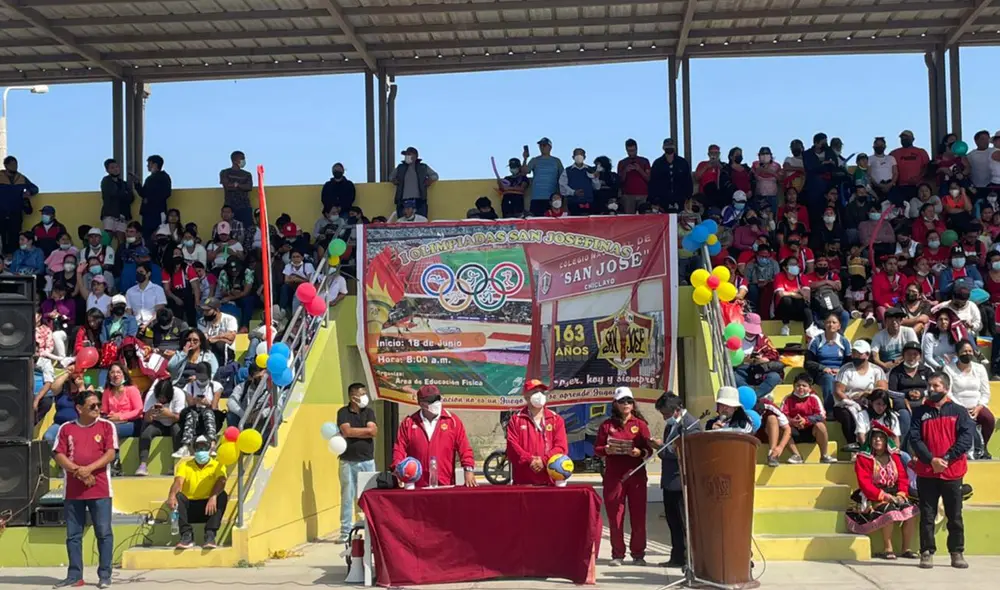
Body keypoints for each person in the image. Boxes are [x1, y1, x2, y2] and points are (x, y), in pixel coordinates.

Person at [52, 390, 117, 589]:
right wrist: (78, 471)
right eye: (92, 406)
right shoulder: (66, 428)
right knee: (73, 535)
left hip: (100, 489)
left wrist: (89, 469)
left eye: (98, 405)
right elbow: (58, 454)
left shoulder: (107, 426)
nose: (98, 409)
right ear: (79, 408)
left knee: (104, 532)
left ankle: (104, 575)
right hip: (73, 490)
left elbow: (111, 453)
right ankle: (75, 575)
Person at [910, 371, 974, 569]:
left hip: (952, 472)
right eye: (929, 385)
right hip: (927, 472)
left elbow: (965, 439)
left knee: (954, 515)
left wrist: (946, 458)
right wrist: (931, 460)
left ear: (946, 388)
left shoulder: (959, 411)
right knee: (927, 515)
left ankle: (957, 552)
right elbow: (914, 438)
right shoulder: (919, 412)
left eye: (936, 386)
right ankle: (927, 552)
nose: (931, 389)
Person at [594, 387, 652, 567]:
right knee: (615, 516)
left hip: (635, 475)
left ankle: (638, 554)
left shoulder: (640, 424)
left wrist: (639, 452)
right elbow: (596, 448)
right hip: (614, 476)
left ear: (633, 403)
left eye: (628, 401)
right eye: (622, 401)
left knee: (638, 515)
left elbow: (649, 450)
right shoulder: (607, 425)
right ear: (615, 404)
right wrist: (606, 450)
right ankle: (617, 553)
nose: (625, 404)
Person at [845, 426, 918, 560]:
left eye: (881, 437)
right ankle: (888, 548)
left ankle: (906, 548)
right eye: (874, 437)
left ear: (886, 441)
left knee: (910, 511)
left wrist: (901, 494)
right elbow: (864, 483)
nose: (877, 440)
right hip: (873, 494)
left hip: (895, 492)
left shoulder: (894, 457)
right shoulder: (864, 458)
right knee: (889, 512)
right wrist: (884, 496)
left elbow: (902, 477)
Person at [655, 392, 701, 568]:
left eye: (666, 414)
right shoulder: (671, 425)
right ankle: (677, 557)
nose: (665, 418)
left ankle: (690, 559)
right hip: (668, 481)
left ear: (676, 410)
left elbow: (686, 451)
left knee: (684, 523)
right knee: (673, 521)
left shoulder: (691, 425)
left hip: (682, 481)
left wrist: (661, 448)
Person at [167, 435, 228, 550]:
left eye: (204, 447)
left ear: (209, 448)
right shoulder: (184, 465)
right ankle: (187, 535)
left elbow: (221, 481)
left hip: (209, 508)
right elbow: (178, 481)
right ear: (193, 449)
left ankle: (210, 534)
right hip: (190, 507)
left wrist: (213, 497)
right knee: (178, 496)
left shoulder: (217, 465)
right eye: (198, 448)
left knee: (222, 496)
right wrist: (171, 495)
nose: (201, 451)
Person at [505, 379, 568, 486]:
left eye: (542, 392)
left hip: (549, 481)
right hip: (524, 482)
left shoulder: (556, 419)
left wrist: (543, 461)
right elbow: (512, 447)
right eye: (534, 392)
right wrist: (530, 460)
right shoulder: (516, 420)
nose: (539, 395)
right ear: (525, 396)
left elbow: (561, 447)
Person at [335, 383, 378, 542]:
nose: (365, 396)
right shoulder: (343, 412)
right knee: (348, 495)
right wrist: (364, 432)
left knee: (370, 496)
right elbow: (346, 431)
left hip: (368, 461)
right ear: (353, 396)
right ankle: (346, 531)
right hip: (348, 461)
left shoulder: (369, 412)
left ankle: (371, 529)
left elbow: (373, 431)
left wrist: (355, 432)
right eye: (362, 393)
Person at [943, 340, 994, 459]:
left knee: (989, 419)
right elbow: (948, 393)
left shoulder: (980, 368)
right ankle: (961, 450)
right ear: (957, 354)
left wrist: (978, 407)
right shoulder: (948, 369)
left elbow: (985, 392)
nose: (968, 353)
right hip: (957, 406)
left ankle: (983, 448)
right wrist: (962, 408)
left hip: (977, 405)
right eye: (964, 351)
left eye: (970, 351)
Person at [834, 340, 887, 450]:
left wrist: (868, 394)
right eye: (854, 353)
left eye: (859, 353)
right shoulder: (846, 370)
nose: (856, 356)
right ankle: (853, 443)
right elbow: (838, 391)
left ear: (867, 355)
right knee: (846, 415)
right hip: (846, 403)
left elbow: (883, 388)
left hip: (869, 402)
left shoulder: (877, 370)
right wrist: (852, 401)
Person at [780, 374, 836, 464]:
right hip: (793, 431)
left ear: (810, 388)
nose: (801, 388)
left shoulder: (814, 398)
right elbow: (781, 415)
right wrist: (792, 421)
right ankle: (796, 455)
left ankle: (824, 455)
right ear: (793, 387)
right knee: (782, 428)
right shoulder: (788, 399)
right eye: (798, 385)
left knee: (820, 425)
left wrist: (806, 420)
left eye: (804, 385)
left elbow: (821, 415)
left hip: (810, 431)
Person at [136, 378, 185, 476]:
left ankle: (176, 464)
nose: (162, 400)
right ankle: (143, 464)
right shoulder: (151, 395)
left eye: (164, 398)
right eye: (159, 398)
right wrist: (150, 413)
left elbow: (180, 418)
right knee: (146, 432)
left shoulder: (178, 394)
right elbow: (146, 419)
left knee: (177, 430)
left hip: (174, 422)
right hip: (157, 423)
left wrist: (168, 414)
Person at [173, 363, 222, 458]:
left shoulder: (216, 386)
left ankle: (212, 444)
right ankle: (185, 447)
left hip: (211, 417)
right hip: (195, 416)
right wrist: (195, 401)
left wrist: (208, 403)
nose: (202, 380)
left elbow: (215, 407)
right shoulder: (189, 386)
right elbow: (190, 404)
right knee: (191, 414)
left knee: (208, 413)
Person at [888, 342, 931, 450]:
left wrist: (922, 394)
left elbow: (933, 388)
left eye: (915, 354)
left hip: (923, 402)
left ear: (919, 356)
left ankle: (927, 448)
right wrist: (906, 394)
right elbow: (891, 391)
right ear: (903, 355)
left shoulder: (927, 370)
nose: (911, 357)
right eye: (908, 354)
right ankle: (902, 449)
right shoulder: (896, 371)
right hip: (902, 404)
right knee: (904, 416)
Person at [806, 314, 851, 408]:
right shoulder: (816, 341)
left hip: (841, 373)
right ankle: (829, 409)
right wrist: (823, 368)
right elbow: (807, 363)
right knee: (828, 378)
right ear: (824, 325)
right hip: (821, 374)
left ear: (839, 326)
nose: (831, 325)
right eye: (828, 322)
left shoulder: (844, 342)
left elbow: (850, 362)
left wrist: (841, 370)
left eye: (834, 322)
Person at [733, 313, 783, 398]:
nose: (751, 333)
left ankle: (754, 396)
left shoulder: (763, 339)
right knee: (734, 377)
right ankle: (750, 394)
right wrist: (743, 360)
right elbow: (729, 359)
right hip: (741, 371)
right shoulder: (736, 337)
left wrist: (764, 359)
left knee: (775, 377)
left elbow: (774, 354)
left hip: (759, 371)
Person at [0, 155, 39, 256]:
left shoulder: (21, 178)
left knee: (15, 236)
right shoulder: (0, 176)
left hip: (16, 213)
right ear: (6, 165)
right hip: (1, 212)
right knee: (2, 237)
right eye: (12, 164)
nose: (15, 166)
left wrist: (29, 192)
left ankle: (13, 257)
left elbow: (35, 188)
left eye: (16, 164)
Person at [101, 361, 144, 448]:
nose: (115, 375)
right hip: (113, 422)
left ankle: (115, 458)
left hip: (132, 422)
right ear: (109, 376)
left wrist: (120, 416)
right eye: (112, 372)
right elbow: (104, 411)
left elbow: (139, 410)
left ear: (124, 374)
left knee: (112, 431)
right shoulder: (107, 391)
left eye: (118, 372)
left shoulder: (132, 389)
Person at [391, 147, 438, 219]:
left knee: (421, 221)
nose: (406, 156)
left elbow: (435, 175)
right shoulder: (400, 167)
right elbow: (391, 177)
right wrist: (394, 180)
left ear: (415, 156)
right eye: (406, 155)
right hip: (403, 200)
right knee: (402, 223)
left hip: (419, 200)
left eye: (409, 154)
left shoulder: (423, 167)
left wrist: (430, 181)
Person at [648, 138, 692, 213]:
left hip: (680, 199)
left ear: (674, 147)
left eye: (671, 145)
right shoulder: (657, 163)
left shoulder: (682, 163)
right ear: (663, 147)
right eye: (667, 146)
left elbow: (688, 181)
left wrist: (688, 196)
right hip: (662, 200)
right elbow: (653, 182)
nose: (669, 148)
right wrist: (654, 200)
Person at [523, 138, 565, 217]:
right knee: (536, 224)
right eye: (540, 145)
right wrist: (525, 158)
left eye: (544, 145)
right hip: (536, 197)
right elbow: (525, 171)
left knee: (552, 223)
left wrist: (561, 195)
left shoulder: (556, 161)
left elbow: (563, 177)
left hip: (552, 199)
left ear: (550, 147)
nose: (542, 147)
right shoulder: (535, 160)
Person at [773, 256, 813, 336]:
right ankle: (785, 327)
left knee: (807, 311)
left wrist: (799, 291)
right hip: (782, 312)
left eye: (796, 264)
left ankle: (809, 333)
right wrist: (795, 292)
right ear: (785, 268)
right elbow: (781, 294)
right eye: (792, 264)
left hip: (798, 309)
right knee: (786, 299)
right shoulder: (779, 276)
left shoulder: (803, 277)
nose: (796, 266)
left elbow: (807, 297)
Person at [161, 245, 200, 326]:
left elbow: (195, 287)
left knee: (191, 317)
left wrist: (197, 302)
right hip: (174, 296)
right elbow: (167, 290)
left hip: (188, 296)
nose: (178, 255)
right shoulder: (166, 270)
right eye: (175, 253)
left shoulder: (188, 268)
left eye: (180, 254)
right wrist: (176, 299)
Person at [137, 155, 172, 240]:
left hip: (157, 212)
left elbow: (166, 193)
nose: (147, 166)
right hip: (147, 213)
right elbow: (143, 193)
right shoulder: (149, 178)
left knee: (159, 234)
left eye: (149, 163)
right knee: (147, 236)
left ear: (155, 164)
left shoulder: (164, 177)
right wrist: (137, 183)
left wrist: (150, 199)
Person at [126, 260, 167, 330]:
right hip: (135, 326)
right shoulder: (130, 292)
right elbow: (128, 312)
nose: (138, 274)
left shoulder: (158, 290)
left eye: (141, 272)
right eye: (137, 272)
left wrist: (147, 325)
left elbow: (159, 311)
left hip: (153, 325)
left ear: (148, 274)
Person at [558, 147, 600, 215]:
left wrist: (595, 178)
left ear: (585, 157)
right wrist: (573, 192)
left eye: (581, 155)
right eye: (576, 155)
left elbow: (597, 187)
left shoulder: (590, 169)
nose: (579, 157)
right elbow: (562, 186)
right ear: (573, 157)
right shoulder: (567, 170)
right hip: (573, 204)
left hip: (589, 203)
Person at [219, 150, 254, 228]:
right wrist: (242, 186)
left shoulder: (247, 174)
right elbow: (227, 186)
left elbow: (249, 187)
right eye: (242, 158)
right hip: (230, 207)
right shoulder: (225, 172)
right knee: (229, 229)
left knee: (248, 229)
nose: (244, 160)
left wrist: (236, 184)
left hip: (245, 207)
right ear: (235, 160)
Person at [198, 297, 238, 365]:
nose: (205, 313)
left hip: (226, 349)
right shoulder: (201, 321)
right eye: (204, 310)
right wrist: (222, 336)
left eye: (208, 310)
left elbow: (231, 338)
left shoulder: (230, 319)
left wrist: (214, 339)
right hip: (209, 347)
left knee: (220, 344)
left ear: (217, 310)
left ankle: (226, 366)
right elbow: (205, 339)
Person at [616, 138, 651, 214]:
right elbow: (620, 181)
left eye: (633, 150)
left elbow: (649, 179)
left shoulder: (644, 161)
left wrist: (639, 169)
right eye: (629, 151)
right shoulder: (622, 163)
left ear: (637, 149)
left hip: (643, 194)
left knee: (645, 217)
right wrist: (625, 171)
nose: (631, 153)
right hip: (628, 195)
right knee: (629, 218)